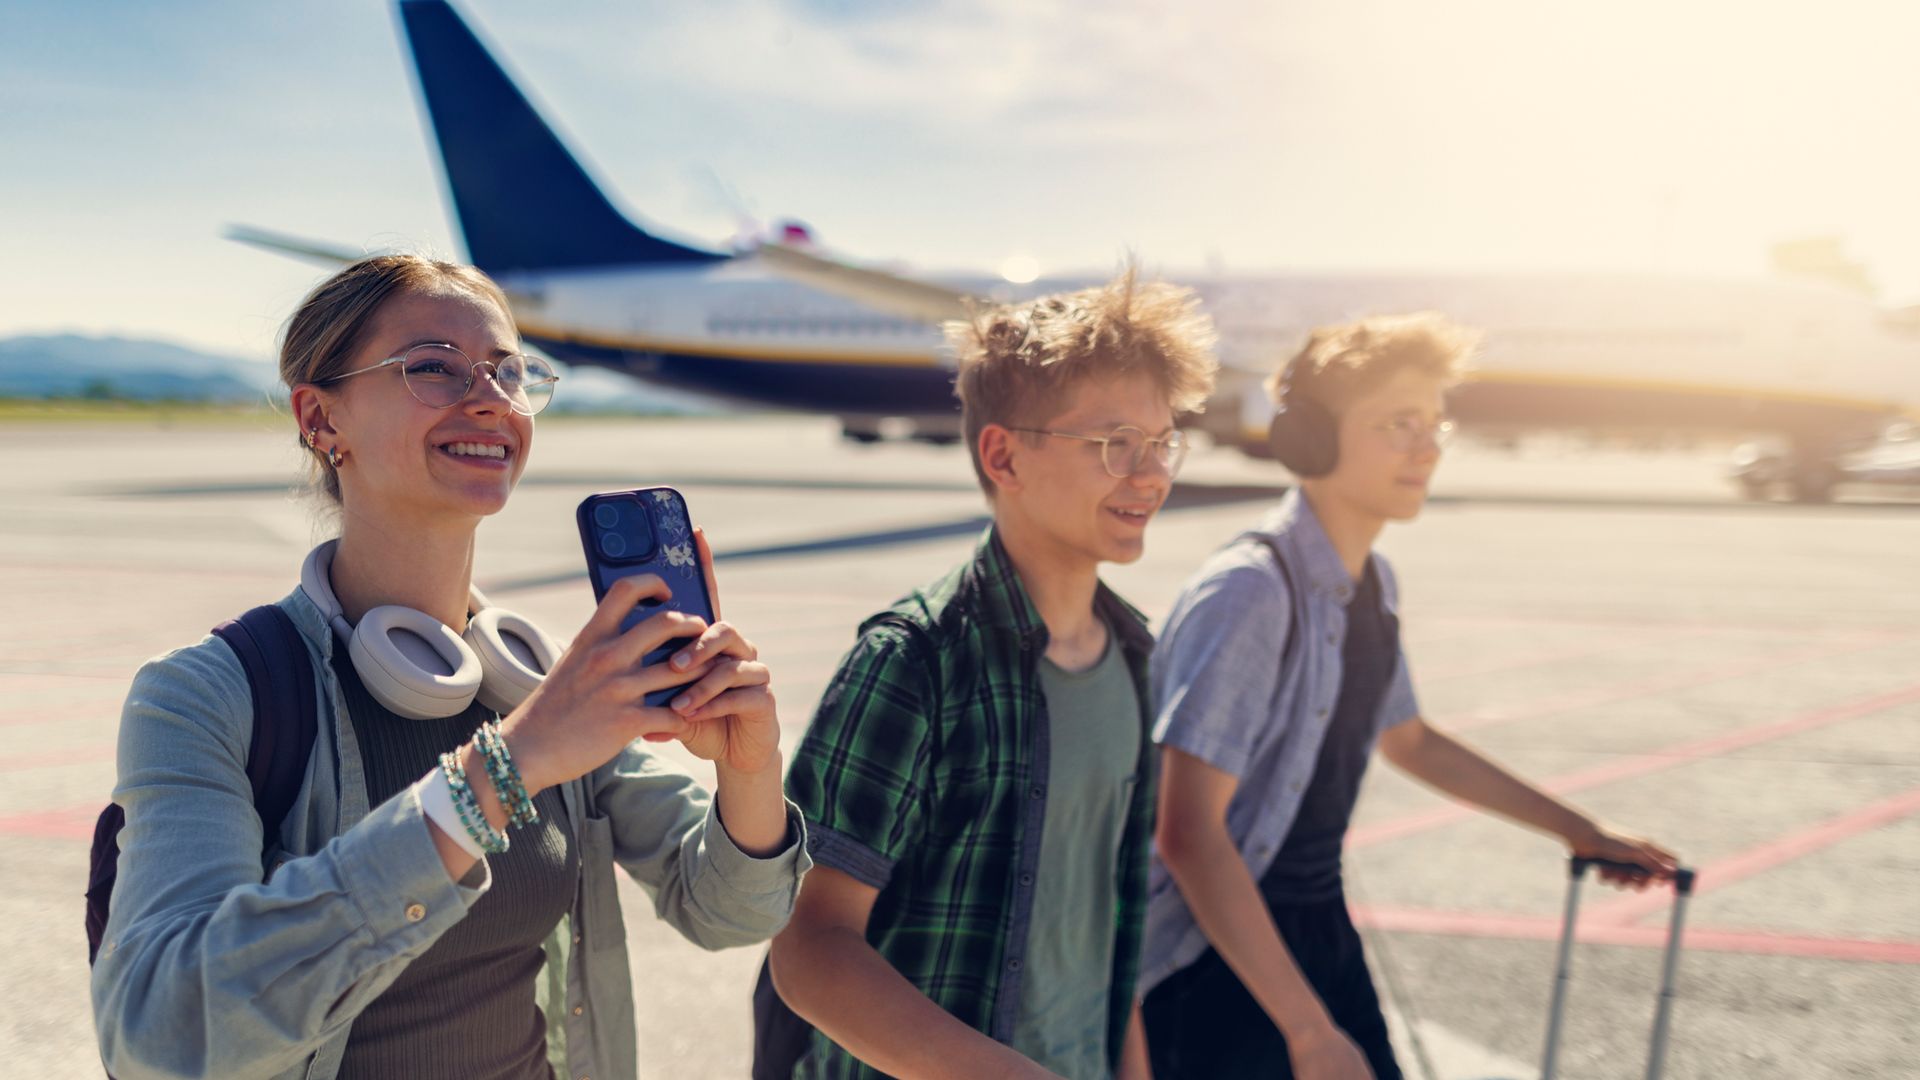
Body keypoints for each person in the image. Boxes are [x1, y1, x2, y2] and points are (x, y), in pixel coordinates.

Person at [91, 254, 809, 1080]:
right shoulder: (205, 696)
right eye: (434, 367)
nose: (491, 398)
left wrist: (749, 768)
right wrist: (505, 768)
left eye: (510, 372)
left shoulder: (534, 680)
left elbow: (730, 912)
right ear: (321, 419)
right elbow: (163, 1037)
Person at [1140, 313, 1679, 1079]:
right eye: (1397, 423)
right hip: (1218, 960)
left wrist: (1580, 831)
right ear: (1311, 439)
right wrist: (1307, 1032)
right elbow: (1190, 834)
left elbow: (1412, 740)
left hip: (1319, 930)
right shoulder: (1251, 594)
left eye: (1433, 424)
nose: (1426, 448)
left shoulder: (1369, 584)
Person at [767, 270, 1219, 1079]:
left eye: (1163, 442)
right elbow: (809, 949)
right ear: (1004, 455)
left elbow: (1105, 931)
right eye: (1116, 443)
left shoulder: (1138, 657)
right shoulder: (913, 662)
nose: (1151, 473)